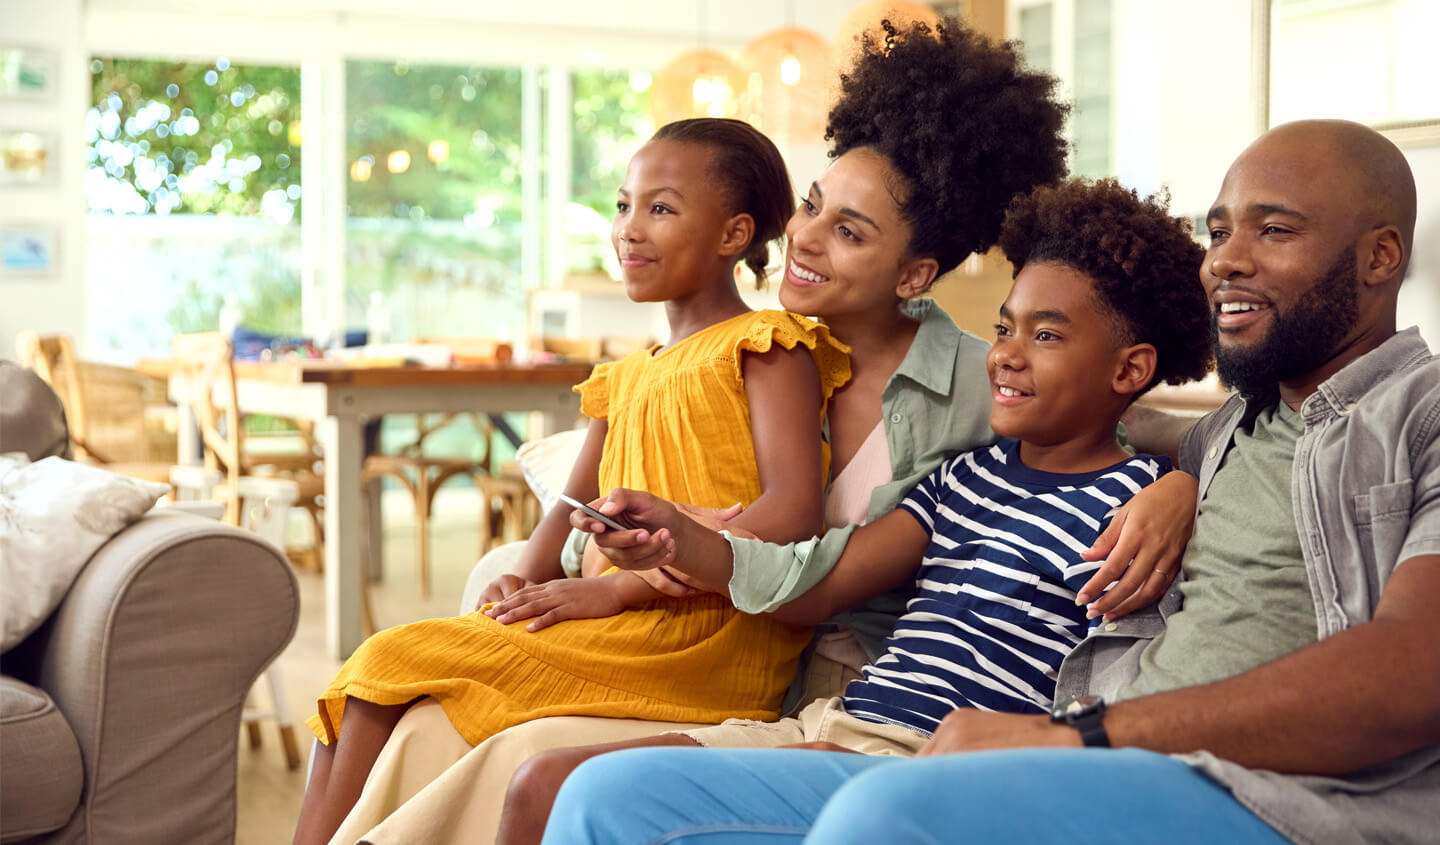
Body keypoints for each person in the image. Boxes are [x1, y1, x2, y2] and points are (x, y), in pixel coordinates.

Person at [328, 20, 1189, 845]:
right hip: (740, 657)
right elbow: (639, 495)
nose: (803, 238)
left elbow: (1130, 421)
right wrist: (615, 560)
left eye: (849, 232)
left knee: (533, 761)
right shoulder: (736, 359)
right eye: (812, 207)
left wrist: (1181, 480)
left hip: (849, 693)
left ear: (916, 272)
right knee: (424, 705)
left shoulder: (982, 385)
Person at [543, 119, 1440, 844]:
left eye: (1272, 230)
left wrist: (1075, 733)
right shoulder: (1232, 427)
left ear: (1379, 256)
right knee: (604, 798)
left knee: (882, 815)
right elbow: (1114, 426)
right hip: (1089, 753)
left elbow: (1412, 673)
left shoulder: (1419, 414)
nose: (1226, 260)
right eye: (1218, 231)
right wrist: (1182, 474)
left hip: (1261, 789)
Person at [512, 176, 1212, 845]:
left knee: (586, 794)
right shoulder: (960, 479)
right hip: (835, 725)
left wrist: (1181, 481)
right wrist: (676, 538)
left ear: (1128, 370)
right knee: (547, 781)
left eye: (1047, 336)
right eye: (1005, 328)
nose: (1005, 357)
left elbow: (1127, 688)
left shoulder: (1138, 510)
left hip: (926, 767)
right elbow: (813, 582)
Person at [290, 116, 855, 845]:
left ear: (733, 234)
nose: (629, 228)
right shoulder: (622, 379)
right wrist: (520, 577)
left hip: (704, 643)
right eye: (624, 205)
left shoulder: (768, 347)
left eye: (661, 207)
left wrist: (623, 583)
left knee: (383, 659)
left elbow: (792, 514)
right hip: (619, 630)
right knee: (387, 681)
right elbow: (567, 506)